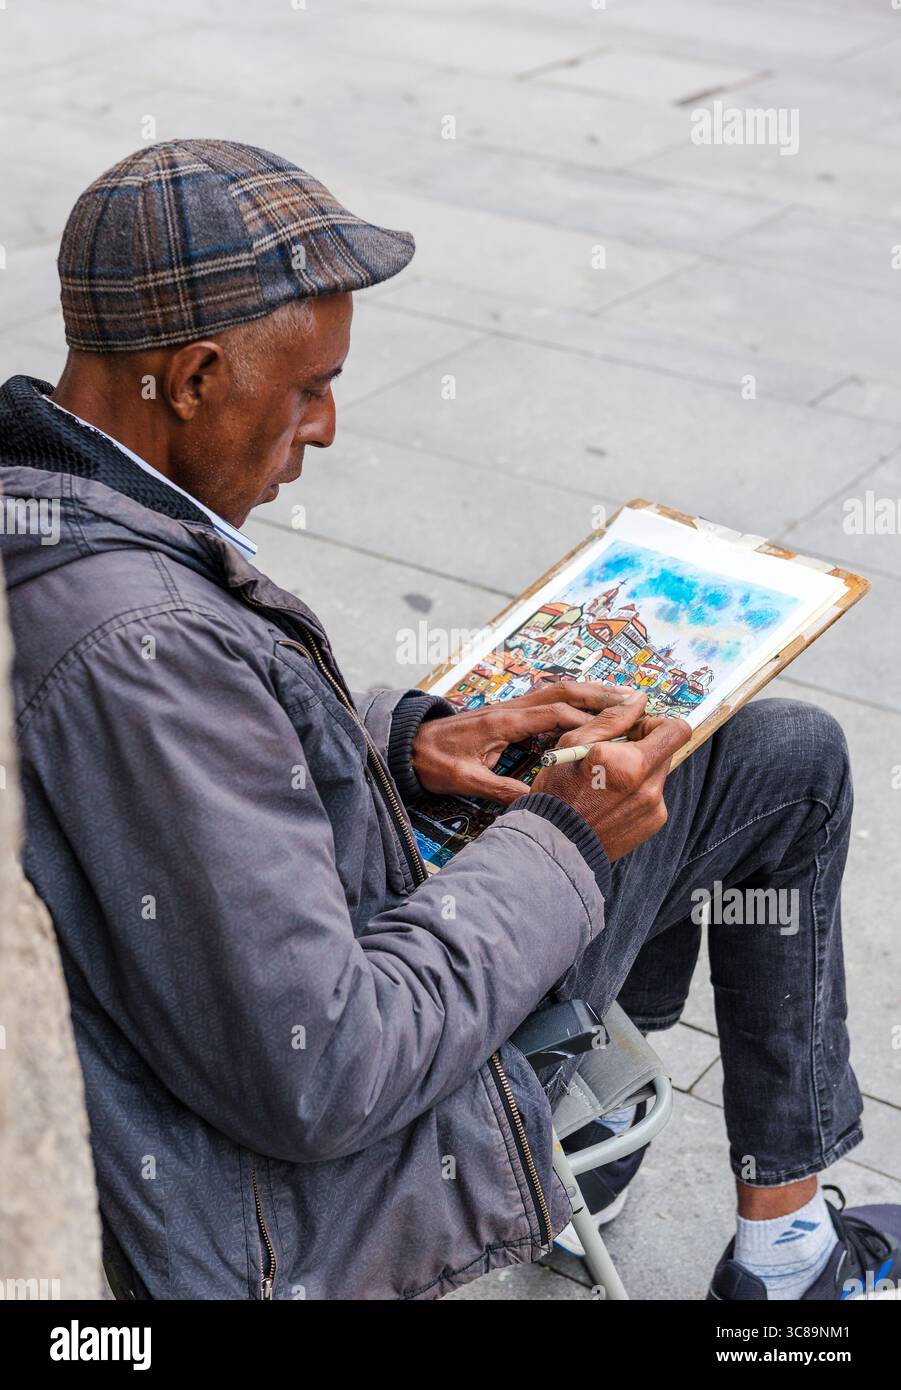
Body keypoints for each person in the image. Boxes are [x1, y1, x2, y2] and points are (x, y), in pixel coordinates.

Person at [0, 139, 896, 1301]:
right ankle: (777, 1253)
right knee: (786, 761)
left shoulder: (49, 508)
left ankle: (591, 1117)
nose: (323, 428)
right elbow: (323, 1073)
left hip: (293, 976)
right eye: (308, 388)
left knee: (696, 752)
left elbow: (199, 789)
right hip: (315, 1179)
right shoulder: (137, 643)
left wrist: (402, 740)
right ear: (197, 375)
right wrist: (562, 837)